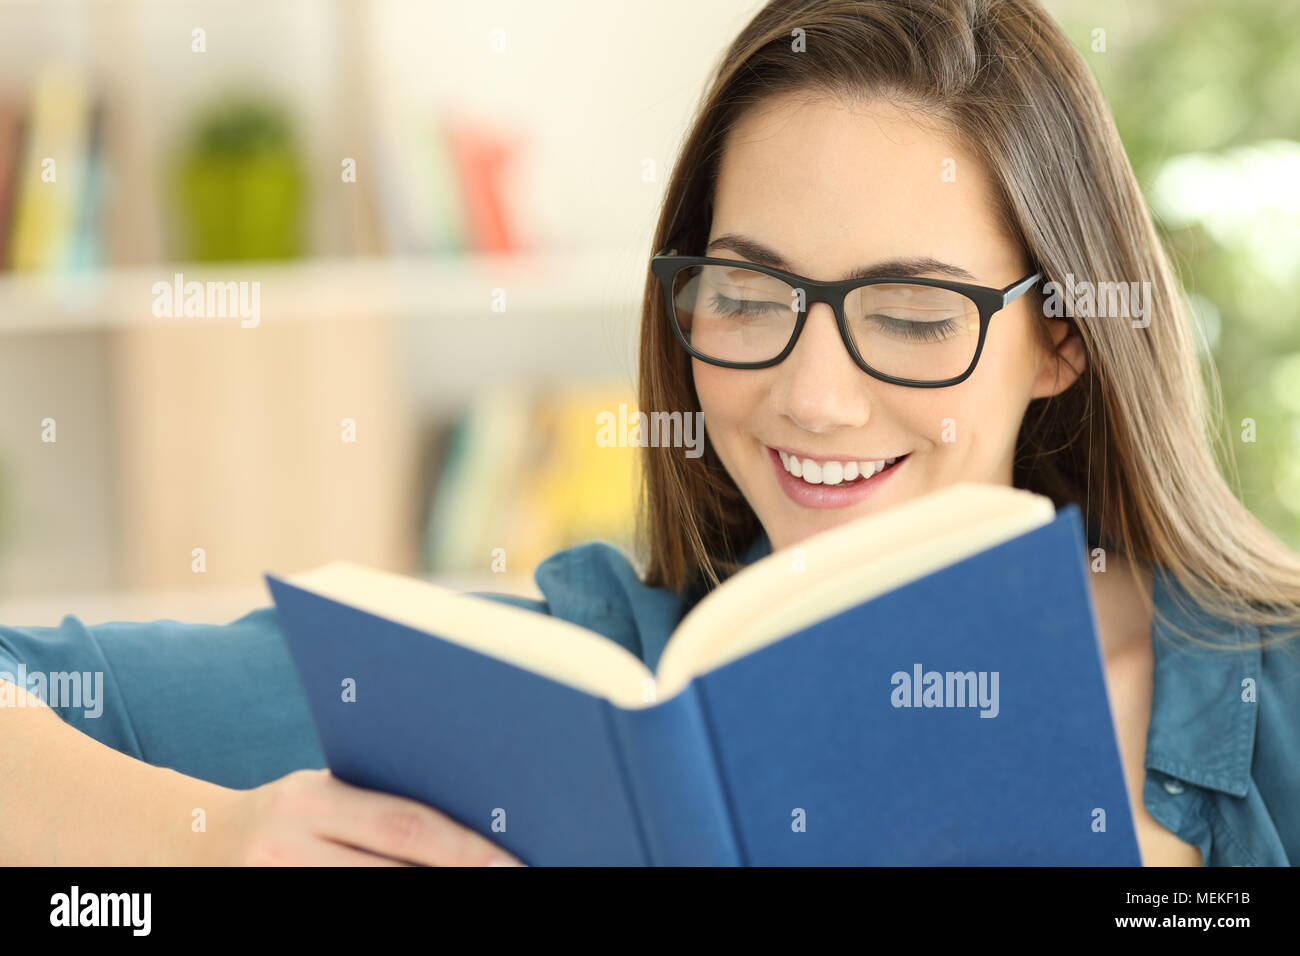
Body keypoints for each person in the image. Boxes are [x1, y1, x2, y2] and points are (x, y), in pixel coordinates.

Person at [3, 0, 1298, 866]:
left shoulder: (1270, 686)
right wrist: (208, 845)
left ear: (1064, 334)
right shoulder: (580, 684)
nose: (813, 397)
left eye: (908, 314)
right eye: (746, 297)